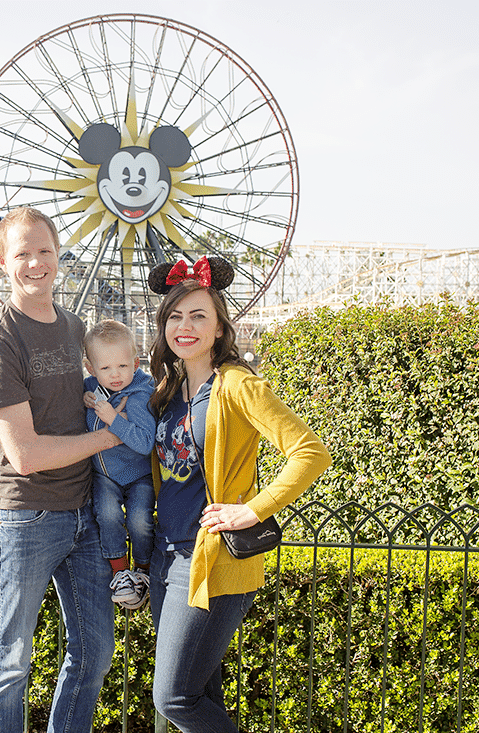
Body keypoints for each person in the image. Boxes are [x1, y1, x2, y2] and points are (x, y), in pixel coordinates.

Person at [146, 256, 331, 732]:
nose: (184, 327)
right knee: (200, 693)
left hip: (211, 559)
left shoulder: (238, 385)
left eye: (198, 316)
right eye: (175, 316)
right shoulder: (167, 389)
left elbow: (310, 452)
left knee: (174, 697)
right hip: (167, 554)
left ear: (220, 328)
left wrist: (251, 509)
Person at [0, 207, 121, 733]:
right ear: (0, 261)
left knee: (95, 653)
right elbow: (26, 456)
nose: (35, 263)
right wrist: (109, 436)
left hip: (84, 515)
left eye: (44, 252)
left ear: (59, 256)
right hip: (27, 517)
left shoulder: (72, 326)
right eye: (22, 254)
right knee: (12, 659)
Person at [82, 319, 157, 610]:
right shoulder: (91, 387)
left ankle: (143, 570)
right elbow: (82, 395)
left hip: (138, 476)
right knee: (108, 516)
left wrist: (114, 420)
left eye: (123, 367)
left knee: (140, 521)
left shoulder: (139, 396)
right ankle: (120, 573)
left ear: (136, 363)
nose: (115, 375)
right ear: (91, 369)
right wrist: (84, 396)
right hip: (104, 475)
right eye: (105, 369)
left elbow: (145, 442)